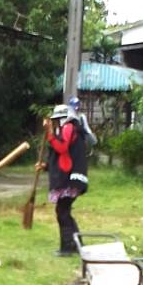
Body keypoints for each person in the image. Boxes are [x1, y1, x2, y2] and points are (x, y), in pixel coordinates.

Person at [41, 102, 89, 256]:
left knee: (62, 212)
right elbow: (62, 155)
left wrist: (49, 134)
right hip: (71, 177)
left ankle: (68, 248)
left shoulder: (69, 128)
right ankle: (76, 244)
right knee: (64, 211)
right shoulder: (68, 129)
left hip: (70, 179)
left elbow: (61, 147)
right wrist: (45, 166)